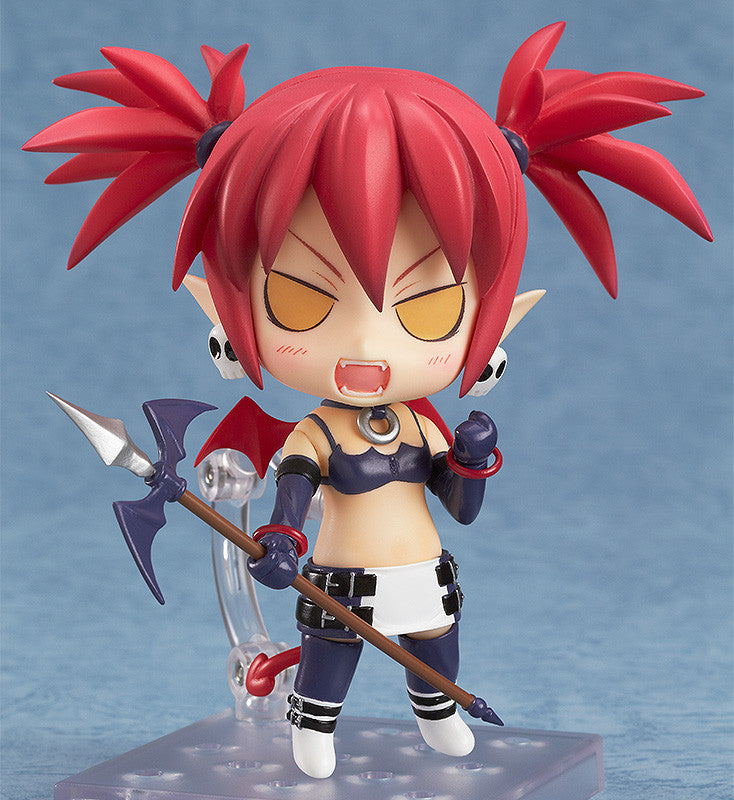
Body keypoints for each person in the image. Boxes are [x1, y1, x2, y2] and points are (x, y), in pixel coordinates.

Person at [24, 21, 711, 778]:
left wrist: (473, 460)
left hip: (423, 574)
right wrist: (281, 541)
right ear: (225, 309)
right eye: (298, 298)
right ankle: (313, 727)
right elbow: (292, 494)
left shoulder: (420, 424)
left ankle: (437, 710)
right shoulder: (315, 435)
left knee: (436, 657)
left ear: (498, 318)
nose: (365, 345)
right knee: (330, 664)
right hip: (341, 579)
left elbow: (461, 508)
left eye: (428, 308)